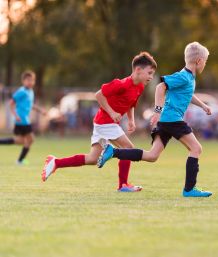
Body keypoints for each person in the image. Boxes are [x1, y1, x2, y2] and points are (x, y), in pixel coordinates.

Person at [97, 42, 213, 198]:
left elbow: (187, 94)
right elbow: (160, 87)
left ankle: (114, 152)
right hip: (172, 120)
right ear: (199, 61)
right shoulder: (184, 76)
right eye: (205, 60)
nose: (205, 63)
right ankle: (189, 189)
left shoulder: (188, 79)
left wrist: (203, 106)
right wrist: (157, 111)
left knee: (152, 156)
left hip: (167, 121)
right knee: (196, 149)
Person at [41, 52, 157, 192]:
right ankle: (123, 185)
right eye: (149, 73)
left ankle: (56, 163)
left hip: (104, 123)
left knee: (92, 158)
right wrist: (112, 112)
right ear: (138, 70)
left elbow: (131, 103)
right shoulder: (121, 84)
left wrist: (131, 120)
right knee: (128, 149)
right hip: (105, 122)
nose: (151, 77)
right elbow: (99, 95)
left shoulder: (139, 87)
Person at [0, 71, 46, 165]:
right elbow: (11, 103)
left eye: (32, 80)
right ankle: (20, 161)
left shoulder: (30, 91)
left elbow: (30, 104)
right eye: (28, 80)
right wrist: (15, 115)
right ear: (23, 81)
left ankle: (19, 160)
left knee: (20, 141)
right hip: (22, 119)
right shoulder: (21, 91)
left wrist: (40, 110)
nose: (30, 82)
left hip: (23, 120)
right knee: (31, 139)